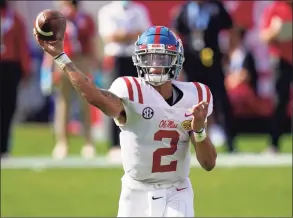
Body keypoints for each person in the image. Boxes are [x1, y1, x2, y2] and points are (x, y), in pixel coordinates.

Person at [33, 25, 217, 217]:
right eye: (148, 57)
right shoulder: (130, 90)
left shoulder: (195, 96)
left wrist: (198, 130)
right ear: (139, 59)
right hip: (137, 190)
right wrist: (61, 57)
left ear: (176, 61)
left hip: (177, 190)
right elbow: (94, 96)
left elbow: (208, 163)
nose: (154, 65)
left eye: (161, 58)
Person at [171, 0, 236, 152]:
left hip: (214, 59)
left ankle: (230, 140)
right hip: (191, 60)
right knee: (190, 99)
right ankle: (187, 139)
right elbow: (176, 32)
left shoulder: (216, 6)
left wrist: (230, 53)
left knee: (220, 99)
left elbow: (231, 28)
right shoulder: (184, 9)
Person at [40, 0, 98, 159]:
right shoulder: (56, 19)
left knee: (85, 102)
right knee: (63, 103)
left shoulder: (85, 18)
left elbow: (90, 42)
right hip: (62, 59)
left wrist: (93, 62)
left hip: (81, 60)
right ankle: (62, 143)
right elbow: (50, 43)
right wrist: (48, 67)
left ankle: (88, 142)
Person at [98, 0, 152, 160]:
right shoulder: (107, 11)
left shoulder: (139, 10)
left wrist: (124, 35)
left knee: (138, 99)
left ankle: (140, 141)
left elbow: (144, 34)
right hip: (116, 59)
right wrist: (131, 34)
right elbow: (110, 36)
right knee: (114, 99)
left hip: (135, 58)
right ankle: (114, 144)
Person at [259, 1, 292, 154]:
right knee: (280, 102)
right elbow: (264, 36)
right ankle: (274, 143)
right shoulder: (275, 8)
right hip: (282, 60)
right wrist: (277, 31)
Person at [0, 0, 31, 158]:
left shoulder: (15, 18)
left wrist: (25, 68)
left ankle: (4, 147)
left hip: (10, 66)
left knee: (8, 107)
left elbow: (22, 44)